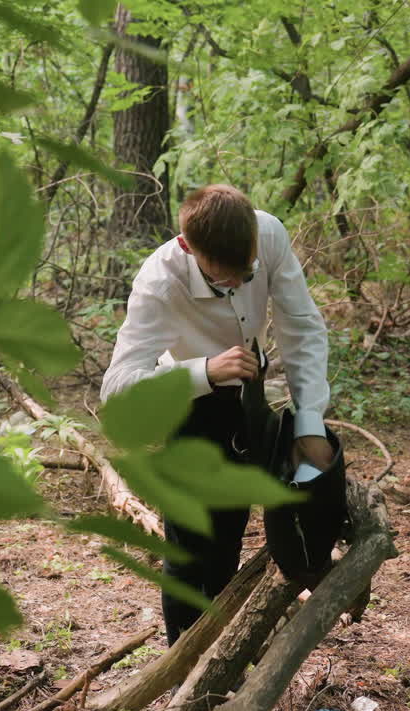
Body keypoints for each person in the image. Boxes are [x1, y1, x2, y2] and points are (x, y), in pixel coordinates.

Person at [100, 184, 333, 645]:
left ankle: (217, 659)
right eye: (223, 281)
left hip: (246, 401)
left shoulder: (268, 233)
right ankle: (181, 662)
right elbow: (117, 392)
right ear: (188, 247)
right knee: (188, 549)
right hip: (186, 407)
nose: (238, 287)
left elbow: (302, 329)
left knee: (227, 540)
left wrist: (309, 421)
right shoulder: (160, 280)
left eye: (246, 277)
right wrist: (204, 371)